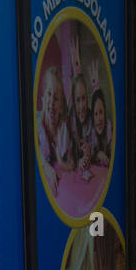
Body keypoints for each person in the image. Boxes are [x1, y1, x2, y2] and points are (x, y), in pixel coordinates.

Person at [38, 65, 73, 195]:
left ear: (61, 106)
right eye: (49, 94)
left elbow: (71, 164)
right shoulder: (38, 128)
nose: (52, 101)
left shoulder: (63, 130)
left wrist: (60, 160)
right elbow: (40, 159)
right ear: (44, 98)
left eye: (56, 98)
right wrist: (48, 169)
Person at [68, 71, 96, 178]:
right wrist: (77, 163)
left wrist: (89, 153)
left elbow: (96, 148)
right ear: (73, 102)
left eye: (84, 98)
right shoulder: (70, 122)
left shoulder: (91, 119)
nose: (82, 105)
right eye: (78, 100)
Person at [90, 87, 112, 165]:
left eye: (101, 112)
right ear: (92, 116)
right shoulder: (92, 131)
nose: (99, 118)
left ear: (105, 112)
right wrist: (98, 155)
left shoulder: (109, 128)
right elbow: (90, 157)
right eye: (96, 114)